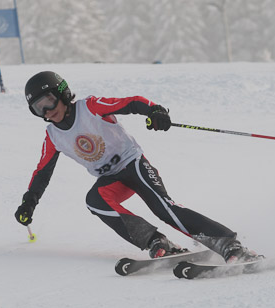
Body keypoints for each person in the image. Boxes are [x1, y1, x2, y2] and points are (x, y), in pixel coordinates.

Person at [15, 71, 260, 263]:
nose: (47, 111)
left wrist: (154, 110)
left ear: (62, 93)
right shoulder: (53, 136)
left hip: (133, 164)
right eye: (39, 108)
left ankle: (228, 244)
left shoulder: (89, 107)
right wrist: (29, 202)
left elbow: (131, 102)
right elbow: (42, 173)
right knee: (94, 201)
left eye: (48, 101)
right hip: (111, 179)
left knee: (164, 208)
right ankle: (156, 241)